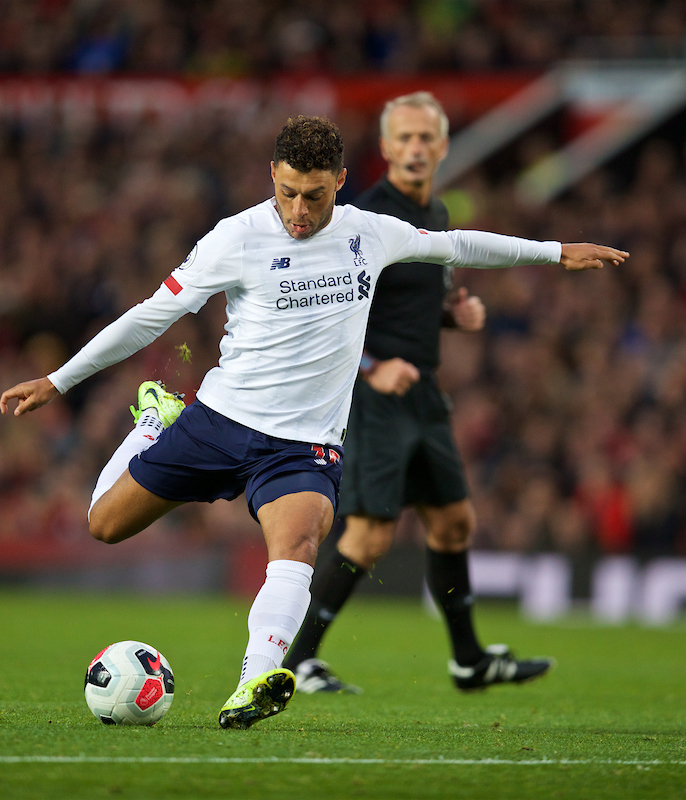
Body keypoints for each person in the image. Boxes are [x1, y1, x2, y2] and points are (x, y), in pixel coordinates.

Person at [0, 115, 627, 730]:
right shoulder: (236, 237)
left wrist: (553, 253)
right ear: (272, 174)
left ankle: (254, 680)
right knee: (103, 525)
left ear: (342, 182)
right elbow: (150, 315)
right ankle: (153, 422)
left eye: (316, 196)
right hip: (218, 421)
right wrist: (58, 380)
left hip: (302, 445)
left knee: (298, 544)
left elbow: (456, 243)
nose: (300, 210)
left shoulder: (371, 234)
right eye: (288, 193)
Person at [282, 93, 554, 695]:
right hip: (373, 394)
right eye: (403, 138)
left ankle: (468, 660)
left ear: (443, 146)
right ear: (384, 148)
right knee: (369, 536)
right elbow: (322, 312)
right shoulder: (359, 217)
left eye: (425, 138)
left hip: (424, 394)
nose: (415, 148)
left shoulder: (436, 213)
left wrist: (453, 313)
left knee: (454, 522)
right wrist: (374, 365)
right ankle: (294, 662)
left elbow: (408, 304)